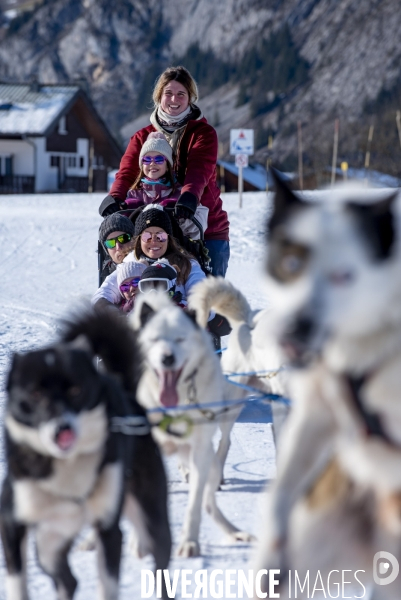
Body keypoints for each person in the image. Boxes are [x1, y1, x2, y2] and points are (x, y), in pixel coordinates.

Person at [99, 65, 230, 276]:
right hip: (153, 229)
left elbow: (199, 171)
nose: (174, 100)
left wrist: (189, 196)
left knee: (208, 292)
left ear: (190, 98)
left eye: (181, 94)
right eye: (168, 93)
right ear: (159, 96)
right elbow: (127, 172)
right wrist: (115, 196)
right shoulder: (142, 137)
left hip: (203, 227)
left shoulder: (202, 134)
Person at [92, 205, 230, 349]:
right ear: (139, 239)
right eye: (147, 236)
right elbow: (101, 296)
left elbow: (199, 290)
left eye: (160, 235)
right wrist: (117, 317)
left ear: (169, 238)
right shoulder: (129, 265)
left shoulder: (187, 264)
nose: (154, 241)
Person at [125, 131, 208, 240]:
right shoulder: (134, 193)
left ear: (168, 165)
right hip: (140, 250)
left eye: (159, 159)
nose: (152, 163)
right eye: (147, 159)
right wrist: (128, 215)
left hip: (174, 249)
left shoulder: (180, 192)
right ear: (141, 164)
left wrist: (181, 218)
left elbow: (199, 227)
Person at [98, 213, 136, 282]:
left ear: (134, 240)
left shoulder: (148, 267)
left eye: (123, 238)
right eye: (110, 243)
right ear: (106, 250)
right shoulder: (107, 279)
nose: (118, 247)